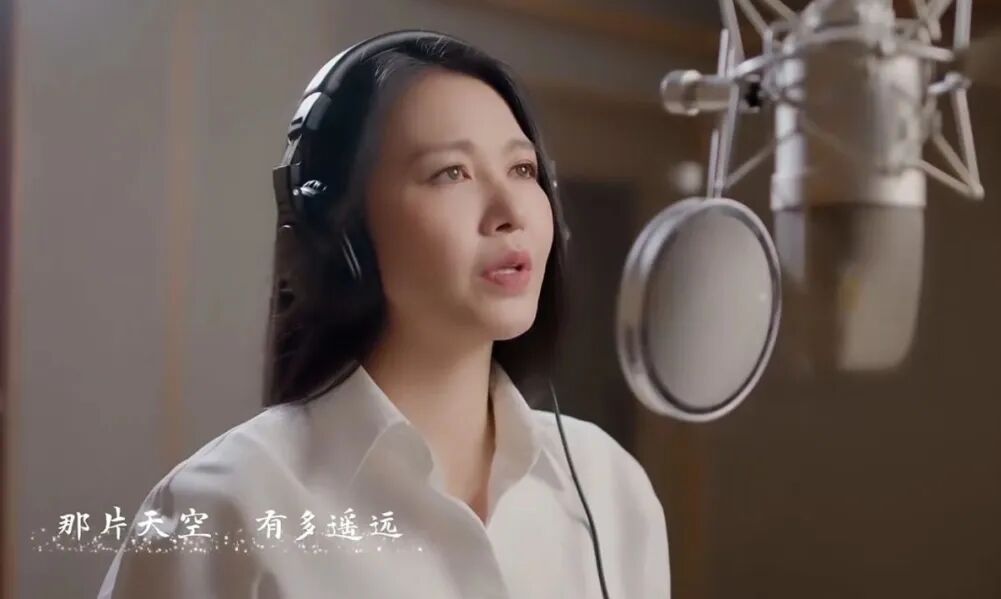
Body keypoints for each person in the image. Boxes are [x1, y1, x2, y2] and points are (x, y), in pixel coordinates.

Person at [98, 30, 669, 599]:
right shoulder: (222, 506)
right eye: (451, 172)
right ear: (344, 231)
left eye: (522, 169)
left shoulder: (608, 486)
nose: (510, 211)